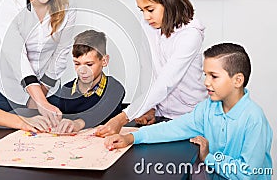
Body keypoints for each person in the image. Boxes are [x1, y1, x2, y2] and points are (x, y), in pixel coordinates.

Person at [104, 43, 273, 179]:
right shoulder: (207, 109)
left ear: (238, 80)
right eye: (205, 75)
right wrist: (132, 137)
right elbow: (173, 128)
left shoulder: (254, 119)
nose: (206, 82)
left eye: (213, 76)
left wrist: (209, 158)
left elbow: (248, 174)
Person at [96, 0, 207, 136]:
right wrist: (150, 107)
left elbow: (166, 81)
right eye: (142, 10)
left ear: (168, 2)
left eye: (150, 9)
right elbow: (148, 70)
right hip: (162, 115)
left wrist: (122, 118)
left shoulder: (190, 34)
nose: (146, 16)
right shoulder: (147, 24)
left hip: (190, 116)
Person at [0, 0, 76, 126]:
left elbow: (61, 54)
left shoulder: (67, 8)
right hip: (9, 88)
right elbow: (16, 54)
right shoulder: (11, 5)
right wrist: (38, 99)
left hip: (48, 88)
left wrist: (41, 95)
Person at [47, 30, 124, 132]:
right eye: (77, 64)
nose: (82, 70)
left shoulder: (114, 88)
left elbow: (101, 112)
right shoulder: (67, 90)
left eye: (89, 64)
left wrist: (78, 123)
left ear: (104, 61)